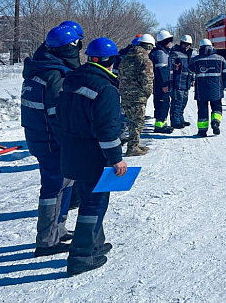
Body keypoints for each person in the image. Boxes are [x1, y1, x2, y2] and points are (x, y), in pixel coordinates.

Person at [55, 37, 125, 276]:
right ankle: (81, 257)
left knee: (89, 198)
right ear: (111, 61)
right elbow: (106, 130)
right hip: (93, 156)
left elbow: (58, 117)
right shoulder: (105, 88)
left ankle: (95, 243)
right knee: (93, 204)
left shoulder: (70, 80)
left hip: (72, 151)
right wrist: (116, 158)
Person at [20, 24, 81, 257]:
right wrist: (69, 144)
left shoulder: (40, 67)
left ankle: (59, 229)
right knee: (53, 188)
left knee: (66, 183)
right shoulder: (53, 74)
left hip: (39, 137)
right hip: (51, 141)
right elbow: (58, 116)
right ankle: (46, 241)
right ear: (69, 47)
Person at [119, 34, 155, 156]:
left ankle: (134, 144)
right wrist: (147, 94)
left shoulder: (126, 58)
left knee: (130, 120)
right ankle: (132, 147)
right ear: (148, 47)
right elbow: (147, 81)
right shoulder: (145, 60)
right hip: (138, 96)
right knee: (137, 122)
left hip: (124, 94)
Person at [188, 39, 226, 137]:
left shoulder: (196, 60)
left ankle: (202, 131)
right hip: (216, 89)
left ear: (200, 48)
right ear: (212, 47)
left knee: (202, 110)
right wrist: (224, 85)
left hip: (201, 90)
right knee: (217, 108)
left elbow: (189, 70)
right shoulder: (220, 59)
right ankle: (215, 123)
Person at [150, 30, 174, 133]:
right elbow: (161, 70)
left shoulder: (160, 52)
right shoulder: (161, 53)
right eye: (170, 41)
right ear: (165, 41)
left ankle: (162, 124)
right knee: (162, 104)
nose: (171, 43)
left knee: (161, 104)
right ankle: (160, 126)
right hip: (161, 85)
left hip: (158, 84)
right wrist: (164, 84)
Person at [169, 35, 194, 130]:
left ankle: (180, 119)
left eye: (188, 45)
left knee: (184, 101)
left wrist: (193, 78)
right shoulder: (175, 53)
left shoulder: (189, 55)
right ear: (181, 44)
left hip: (186, 82)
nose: (187, 47)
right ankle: (175, 121)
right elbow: (170, 65)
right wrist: (174, 66)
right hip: (178, 82)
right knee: (177, 102)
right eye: (185, 44)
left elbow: (191, 69)